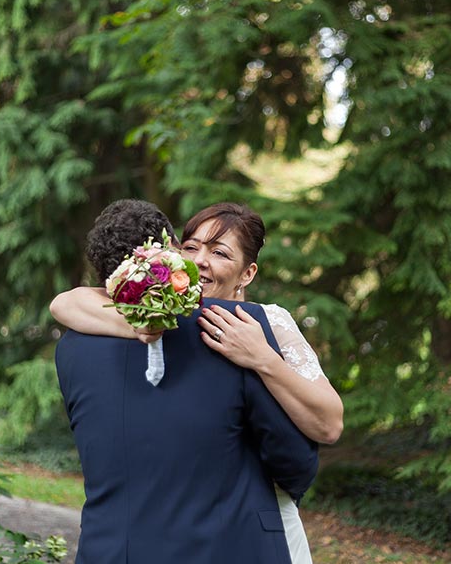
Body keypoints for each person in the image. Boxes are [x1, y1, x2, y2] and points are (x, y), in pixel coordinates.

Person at [50, 202, 344, 564]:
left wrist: (263, 357)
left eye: (219, 252)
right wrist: (146, 320)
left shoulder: (255, 328)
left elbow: (327, 425)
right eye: (191, 248)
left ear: (247, 273)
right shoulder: (148, 320)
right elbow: (292, 457)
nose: (200, 260)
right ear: (169, 254)